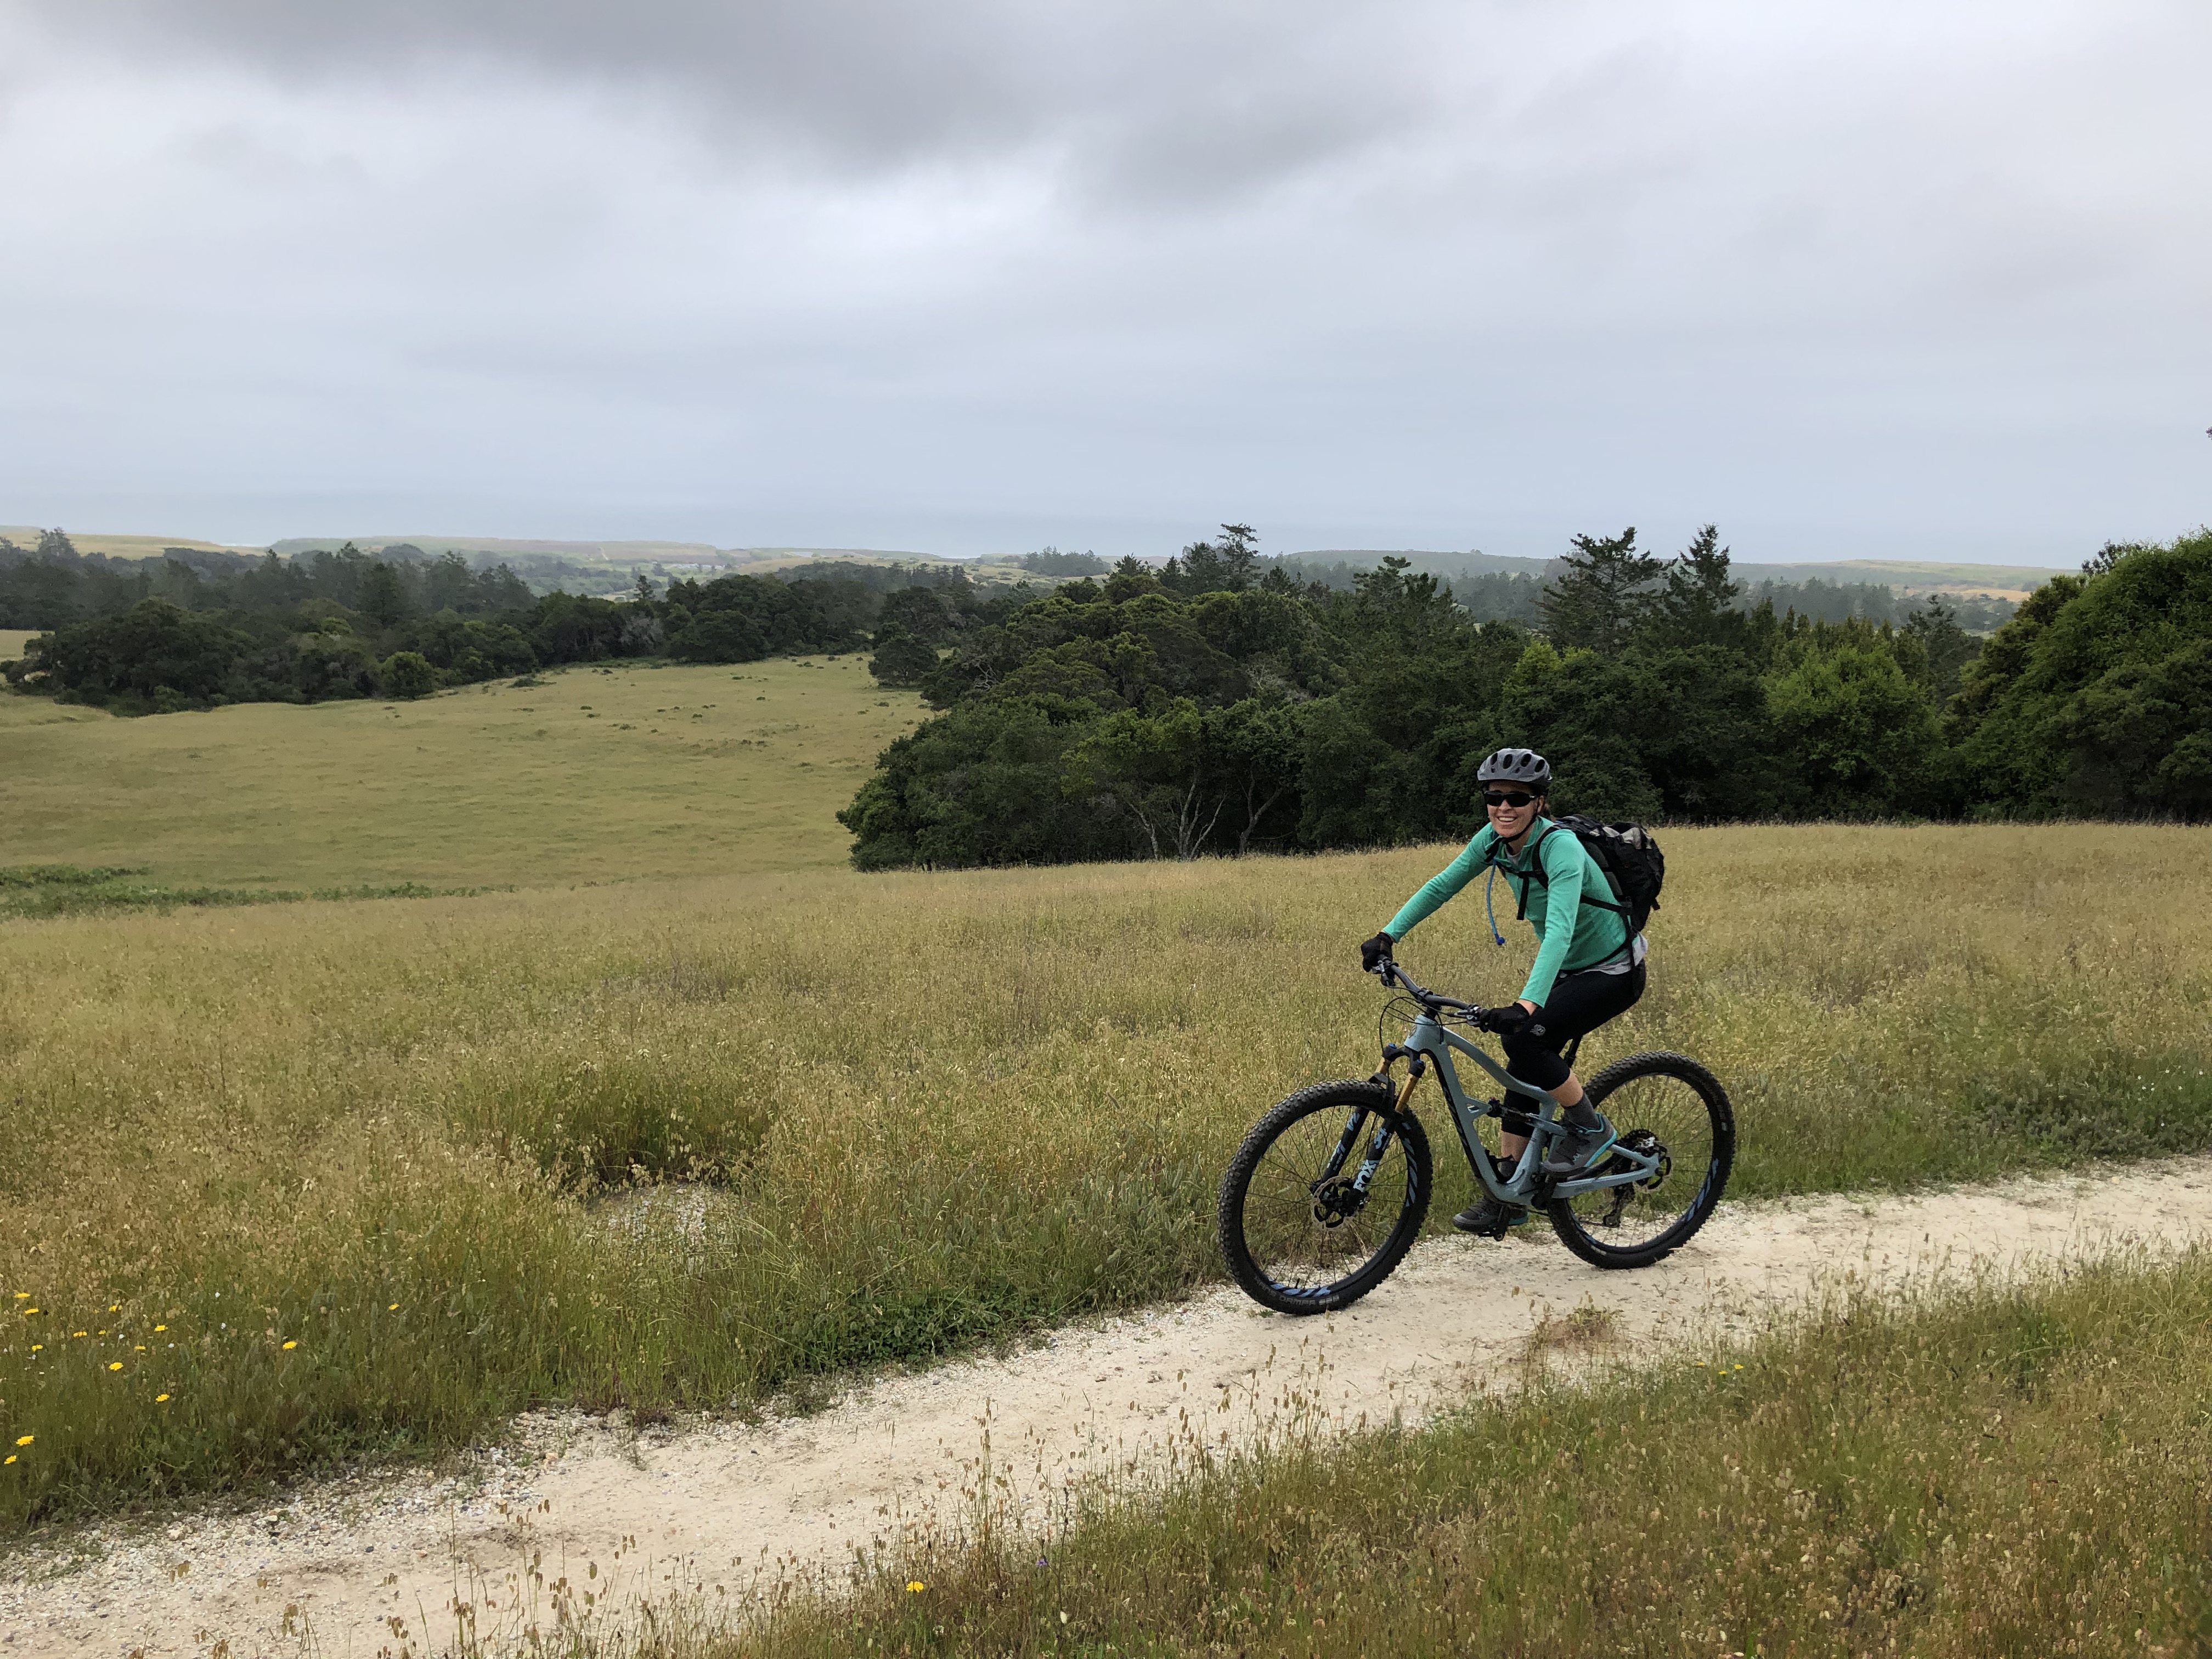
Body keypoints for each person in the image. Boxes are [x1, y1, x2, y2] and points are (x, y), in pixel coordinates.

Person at [1357, 747, 1646, 1236]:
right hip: (1570, 970)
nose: (1504, 806)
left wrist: (1526, 1004)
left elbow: (1558, 929)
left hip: (1613, 968)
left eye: (1517, 797)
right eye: (1494, 796)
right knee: (1522, 1062)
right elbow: (1441, 885)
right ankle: (1508, 1193)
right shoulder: (1492, 841)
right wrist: (1388, 934)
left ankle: (1591, 1129)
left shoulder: (1561, 848)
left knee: (1523, 1038)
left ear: (1539, 802)